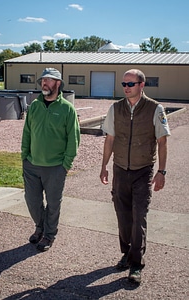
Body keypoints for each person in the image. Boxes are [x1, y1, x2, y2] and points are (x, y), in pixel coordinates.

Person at [100, 69, 170, 284]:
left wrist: (161, 171)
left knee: (138, 217)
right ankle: (126, 253)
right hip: (120, 169)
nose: (126, 87)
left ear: (142, 85)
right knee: (123, 217)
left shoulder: (155, 108)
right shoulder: (115, 108)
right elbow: (110, 139)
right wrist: (104, 166)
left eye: (130, 84)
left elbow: (162, 141)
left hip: (143, 171)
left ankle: (136, 264)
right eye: (124, 83)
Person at [21, 68, 80, 252]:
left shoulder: (67, 109)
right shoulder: (35, 106)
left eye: (49, 80)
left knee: (53, 203)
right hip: (32, 165)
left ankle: (49, 234)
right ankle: (39, 227)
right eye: (43, 80)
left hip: (55, 167)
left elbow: (74, 138)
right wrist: (24, 157)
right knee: (32, 201)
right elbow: (27, 133)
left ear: (58, 84)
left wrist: (65, 164)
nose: (44, 83)